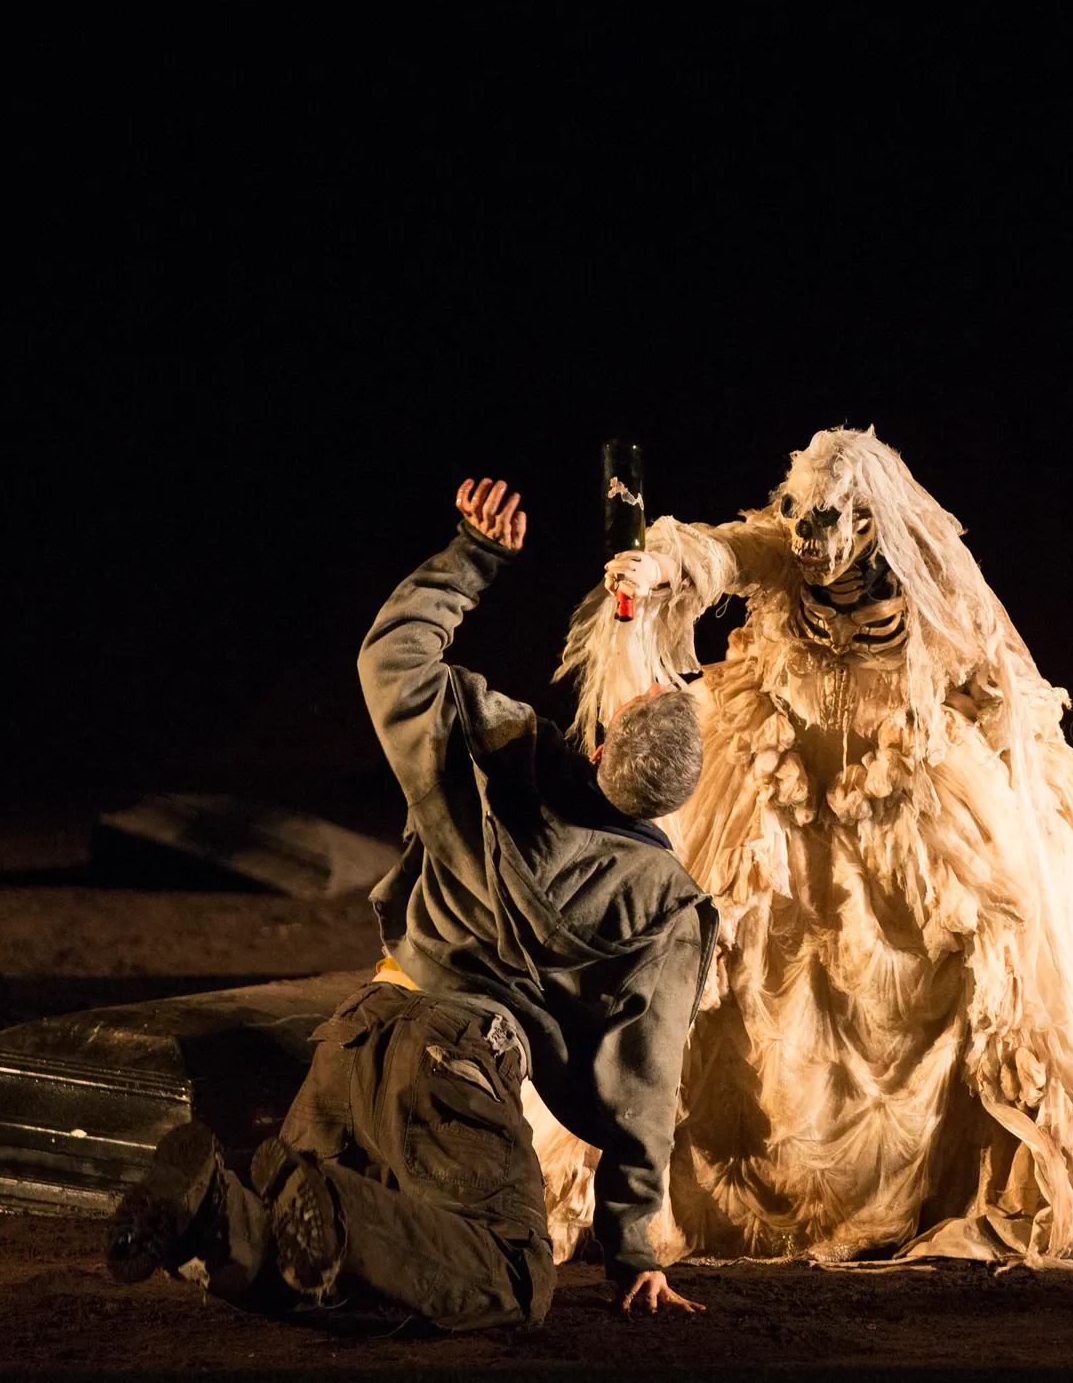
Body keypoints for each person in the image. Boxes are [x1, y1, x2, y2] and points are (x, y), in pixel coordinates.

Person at [105, 475, 717, 1326]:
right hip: (453, 1068)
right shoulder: (665, 904)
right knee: (512, 1277)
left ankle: (220, 1215)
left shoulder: (499, 747)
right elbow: (645, 1082)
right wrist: (631, 1247)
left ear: (607, 738)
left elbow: (389, 658)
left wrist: (472, 559)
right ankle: (315, 1215)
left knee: (325, 1264)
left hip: (356, 1033)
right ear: (669, 800)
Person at [547, 427, 1073, 1268]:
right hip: (781, 782)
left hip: (903, 794)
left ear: (869, 524)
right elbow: (729, 552)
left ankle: (949, 1187)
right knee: (734, 948)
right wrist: (659, 565)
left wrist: (1025, 794)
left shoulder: (934, 577)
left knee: (964, 965)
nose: (805, 536)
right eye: (797, 514)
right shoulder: (790, 546)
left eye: (825, 520)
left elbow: (998, 677)